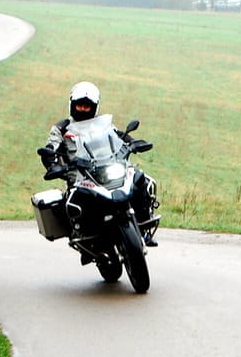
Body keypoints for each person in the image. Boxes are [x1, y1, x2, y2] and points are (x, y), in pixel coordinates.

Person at [40, 81, 159, 249]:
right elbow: (50, 148)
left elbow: (118, 136)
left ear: (94, 107)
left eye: (87, 107)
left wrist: (133, 143)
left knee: (140, 179)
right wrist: (52, 164)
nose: (83, 109)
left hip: (106, 171)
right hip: (81, 178)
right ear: (72, 105)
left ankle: (144, 227)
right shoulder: (62, 129)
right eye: (80, 106)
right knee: (75, 201)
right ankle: (85, 235)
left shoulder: (103, 125)